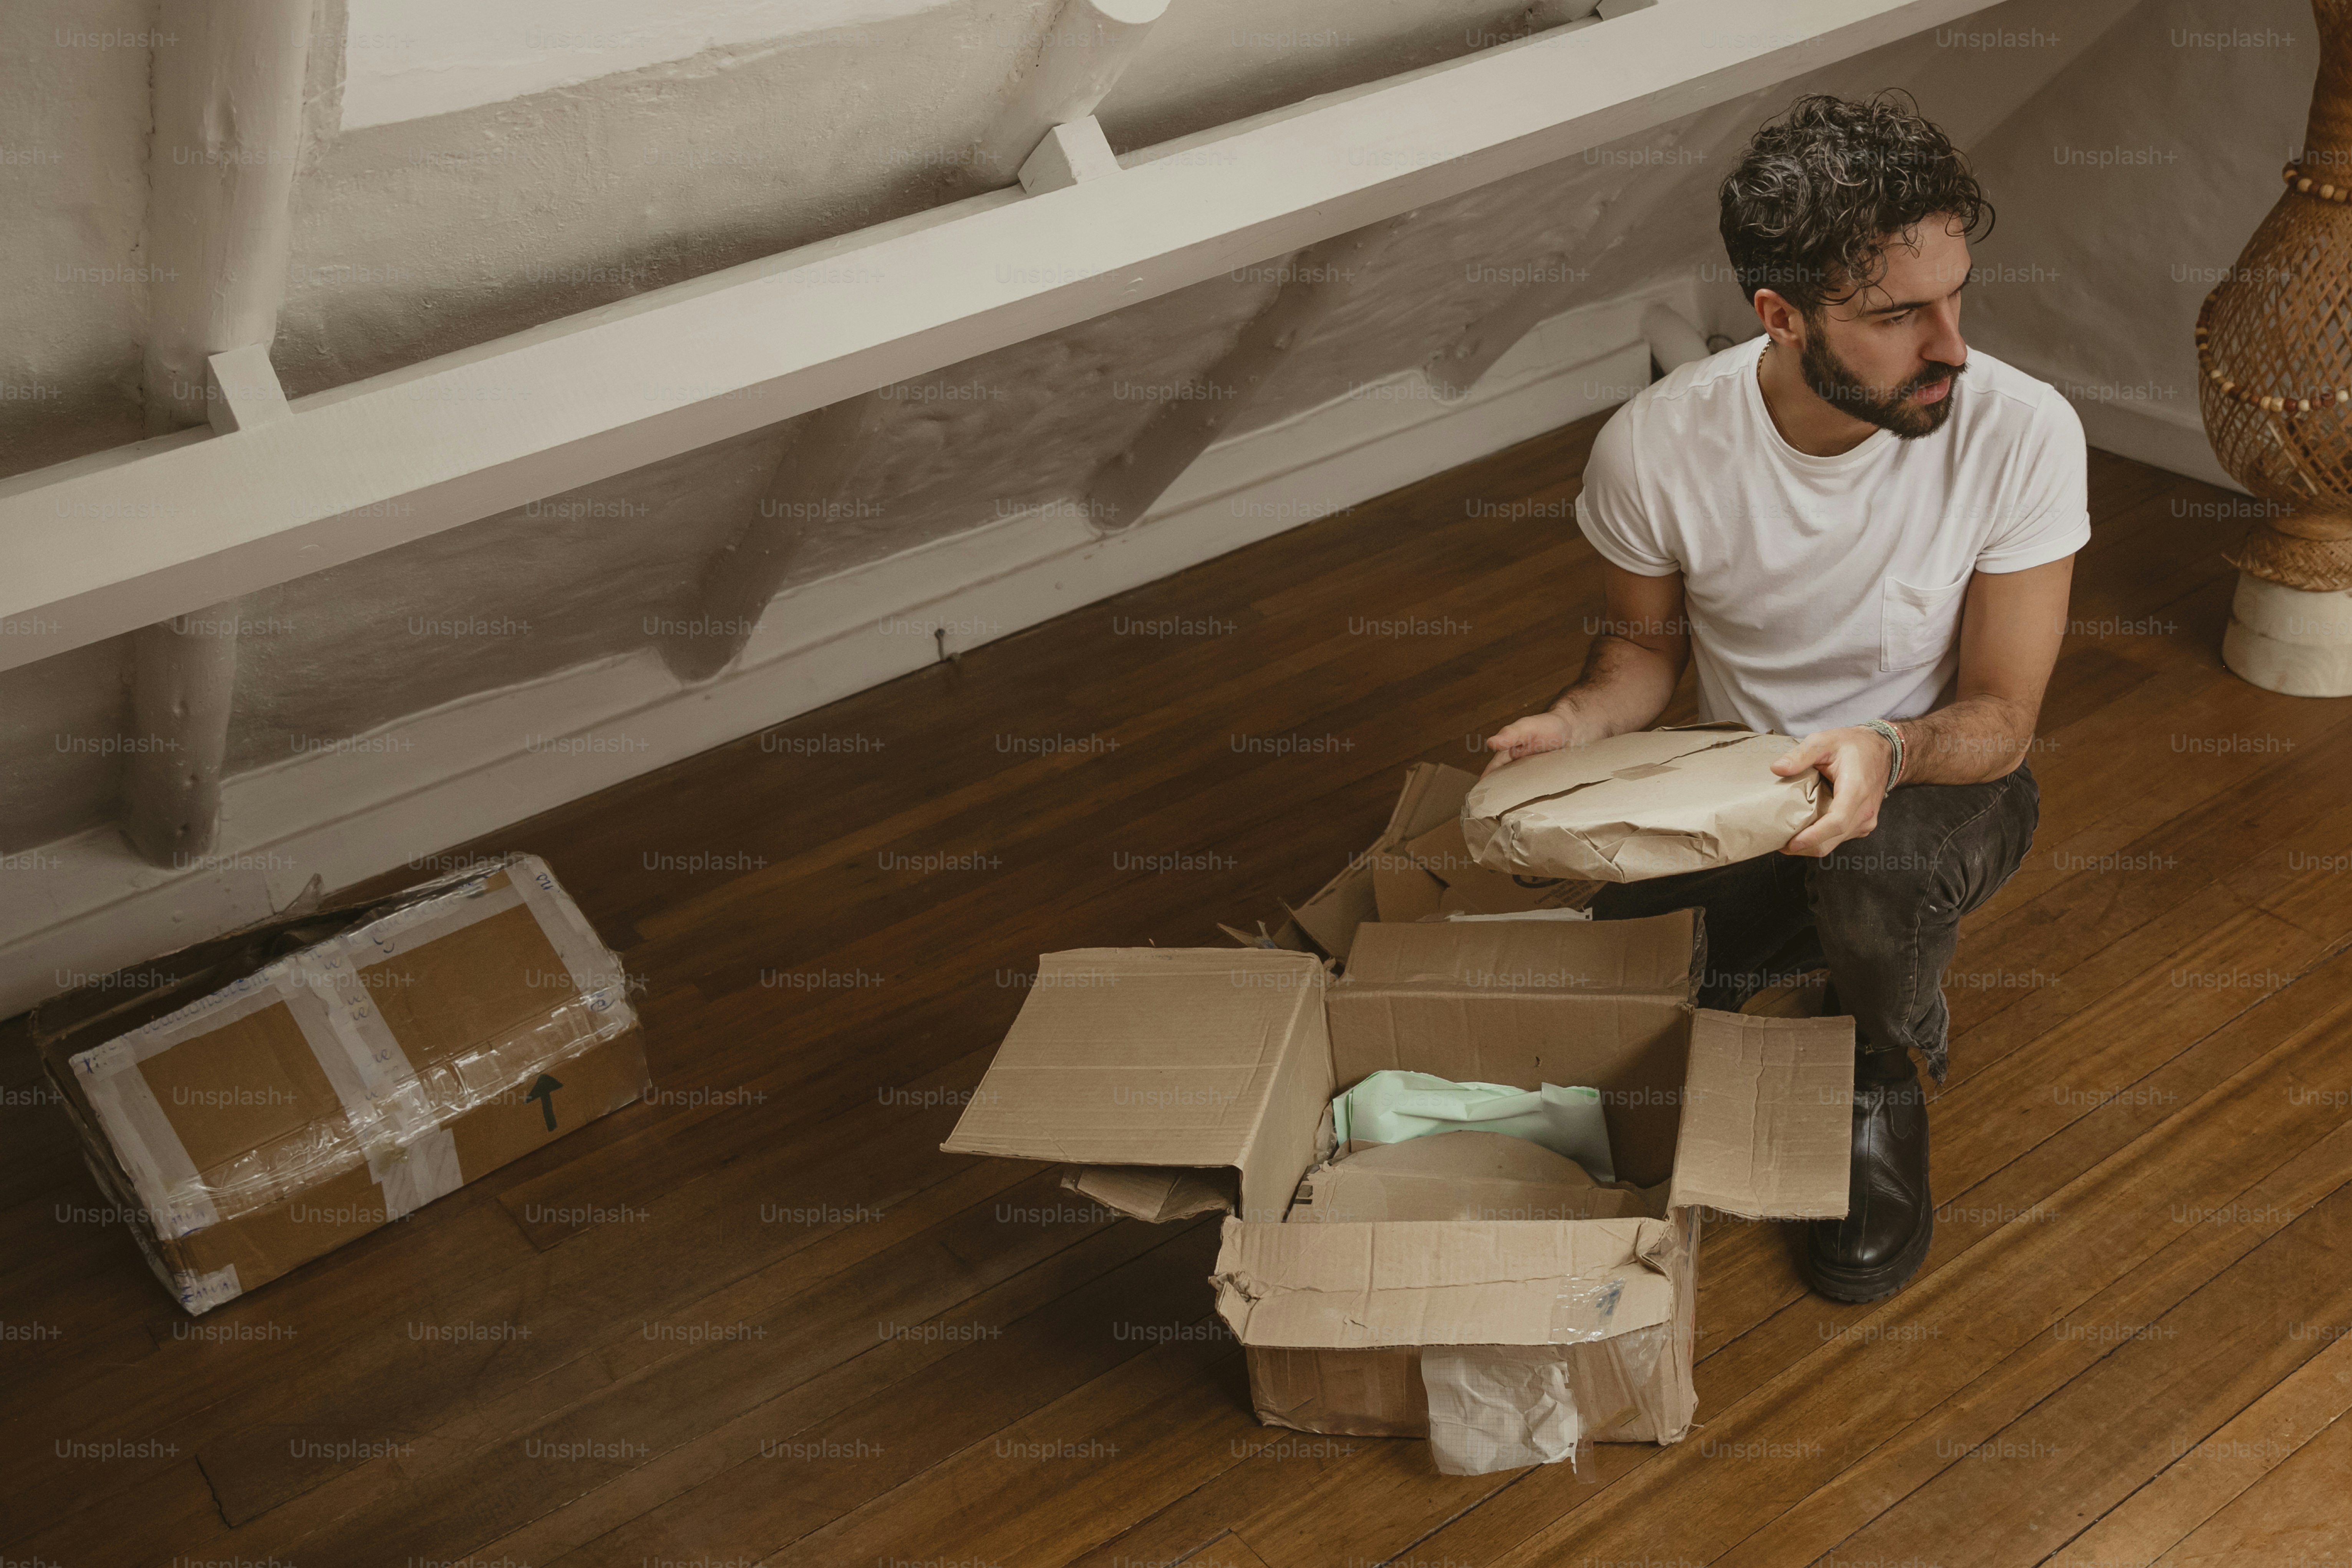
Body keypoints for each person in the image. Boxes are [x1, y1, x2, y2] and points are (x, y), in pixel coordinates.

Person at [1483, 91, 2086, 1302]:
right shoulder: (1652, 448)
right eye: (1897, 315)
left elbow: (2003, 715)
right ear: (1780, 315)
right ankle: (1819, 940)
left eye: (1955, 296)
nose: (1951, 346)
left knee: (1874, 880)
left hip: (1939, 775)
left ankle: (1875, 1057)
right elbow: (1638, 659)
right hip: (1743, 776)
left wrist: (1882, 746)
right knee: (1627, 980)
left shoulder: (2021, 433)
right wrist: (1575, 725)